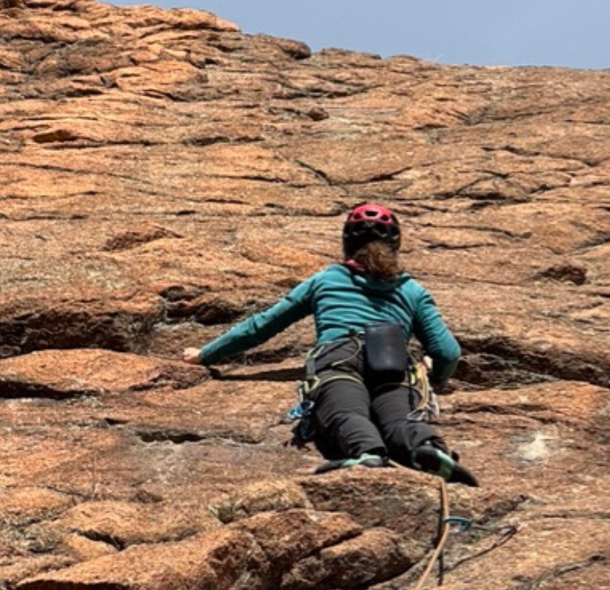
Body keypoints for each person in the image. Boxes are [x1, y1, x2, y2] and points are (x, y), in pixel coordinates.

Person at [182, 203, 477, 485]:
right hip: (392, 360)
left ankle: (368, 454)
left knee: (346, 412)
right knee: (399, 417)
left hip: (338, 357)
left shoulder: (327, 279)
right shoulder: (410, 289)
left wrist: (207, 354)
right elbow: (447, 351)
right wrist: (435, 377)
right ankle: (426, 447)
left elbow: (263, 325)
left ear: (347, 243)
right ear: (395, 244)